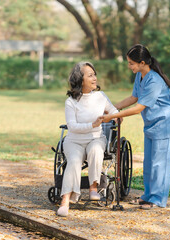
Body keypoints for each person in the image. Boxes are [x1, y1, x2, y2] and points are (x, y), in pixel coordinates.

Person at [102, 44, 170, 209]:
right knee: (149, 162)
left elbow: (139, 108)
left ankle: (157, 199)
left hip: (165, 124)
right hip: (152, 124)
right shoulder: (140, 76)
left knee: (160, 164)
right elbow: (133, 97)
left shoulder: (155, 80)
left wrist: (113, 116)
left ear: (143, 62)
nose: (129, 66)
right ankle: (147, 196)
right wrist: (112, 107)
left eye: (131, 63)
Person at [57, 61, 119, 217]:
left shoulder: (100, 96)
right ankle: (65, 200)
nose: (95, 78)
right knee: (74, 161)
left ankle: (93, 188)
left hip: (96, 138)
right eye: (90, 75)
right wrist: (93, 124)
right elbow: (72, 126)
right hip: (74, 141)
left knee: (96, 150)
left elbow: (113, 111)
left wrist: (116, 117)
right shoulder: (71, 101)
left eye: (94, 74)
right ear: (80, 79)